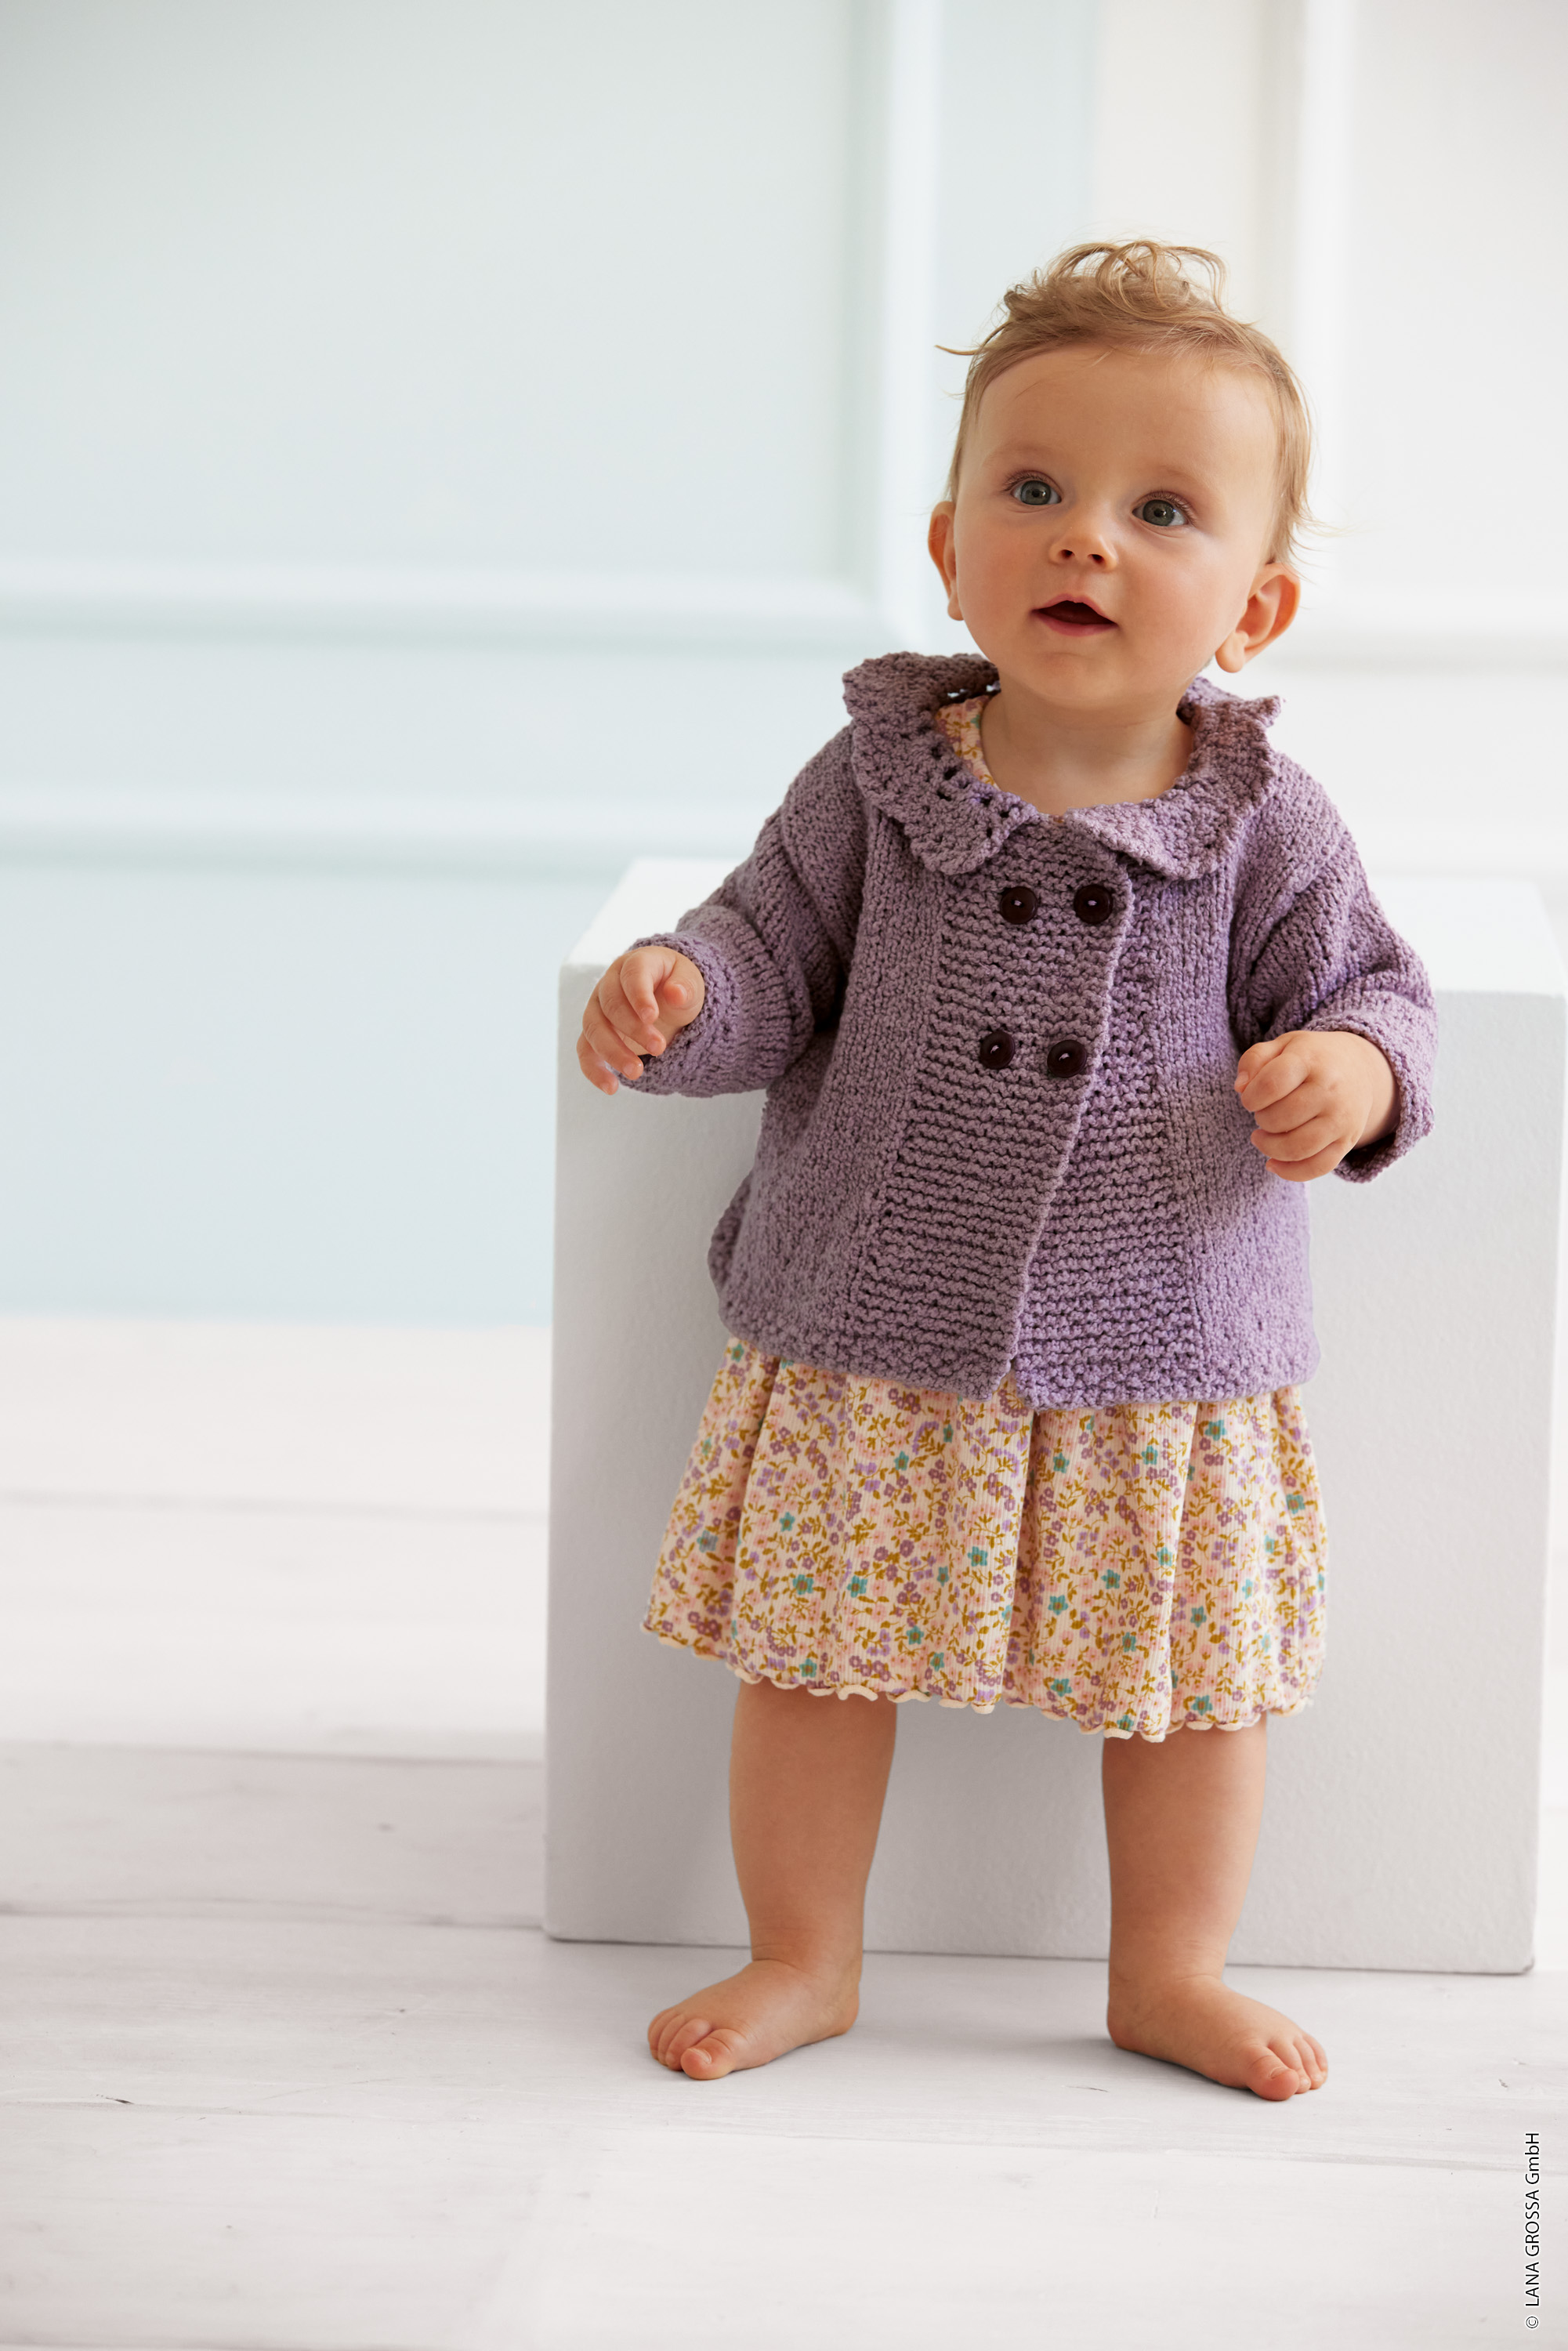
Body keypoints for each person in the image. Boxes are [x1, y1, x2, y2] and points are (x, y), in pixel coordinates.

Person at [576, 242, 1436, 2102]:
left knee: (1187, 1681)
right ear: (947, 544)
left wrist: (1350, 1072)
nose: (1084, 539)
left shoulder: (1261, 821)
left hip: (1164, 1348)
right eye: (1032, 488)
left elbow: (1371, 986)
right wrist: (683, 991)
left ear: (1254, 604)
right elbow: (769, 948)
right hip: (874, 1321)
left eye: (1160, 510)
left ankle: (1168, 1970)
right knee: (814, 1653)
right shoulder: (873, 783)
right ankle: (801, 1953)